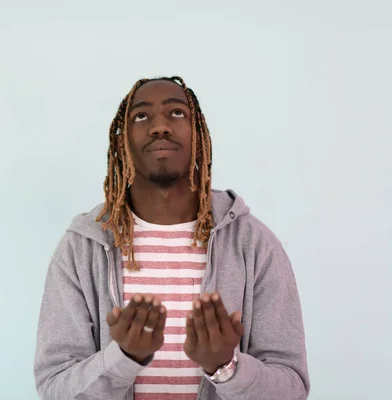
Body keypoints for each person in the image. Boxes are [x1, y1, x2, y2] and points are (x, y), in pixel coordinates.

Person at [33, 76, 310, 400]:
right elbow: (54, 387)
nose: (159, 126)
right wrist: (123, 358)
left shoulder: (254, 244)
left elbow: (292, 388)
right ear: (122, 140)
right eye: (141, 116)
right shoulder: (82, 247)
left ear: (199, 133)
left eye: (176, 113)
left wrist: (226, 366)